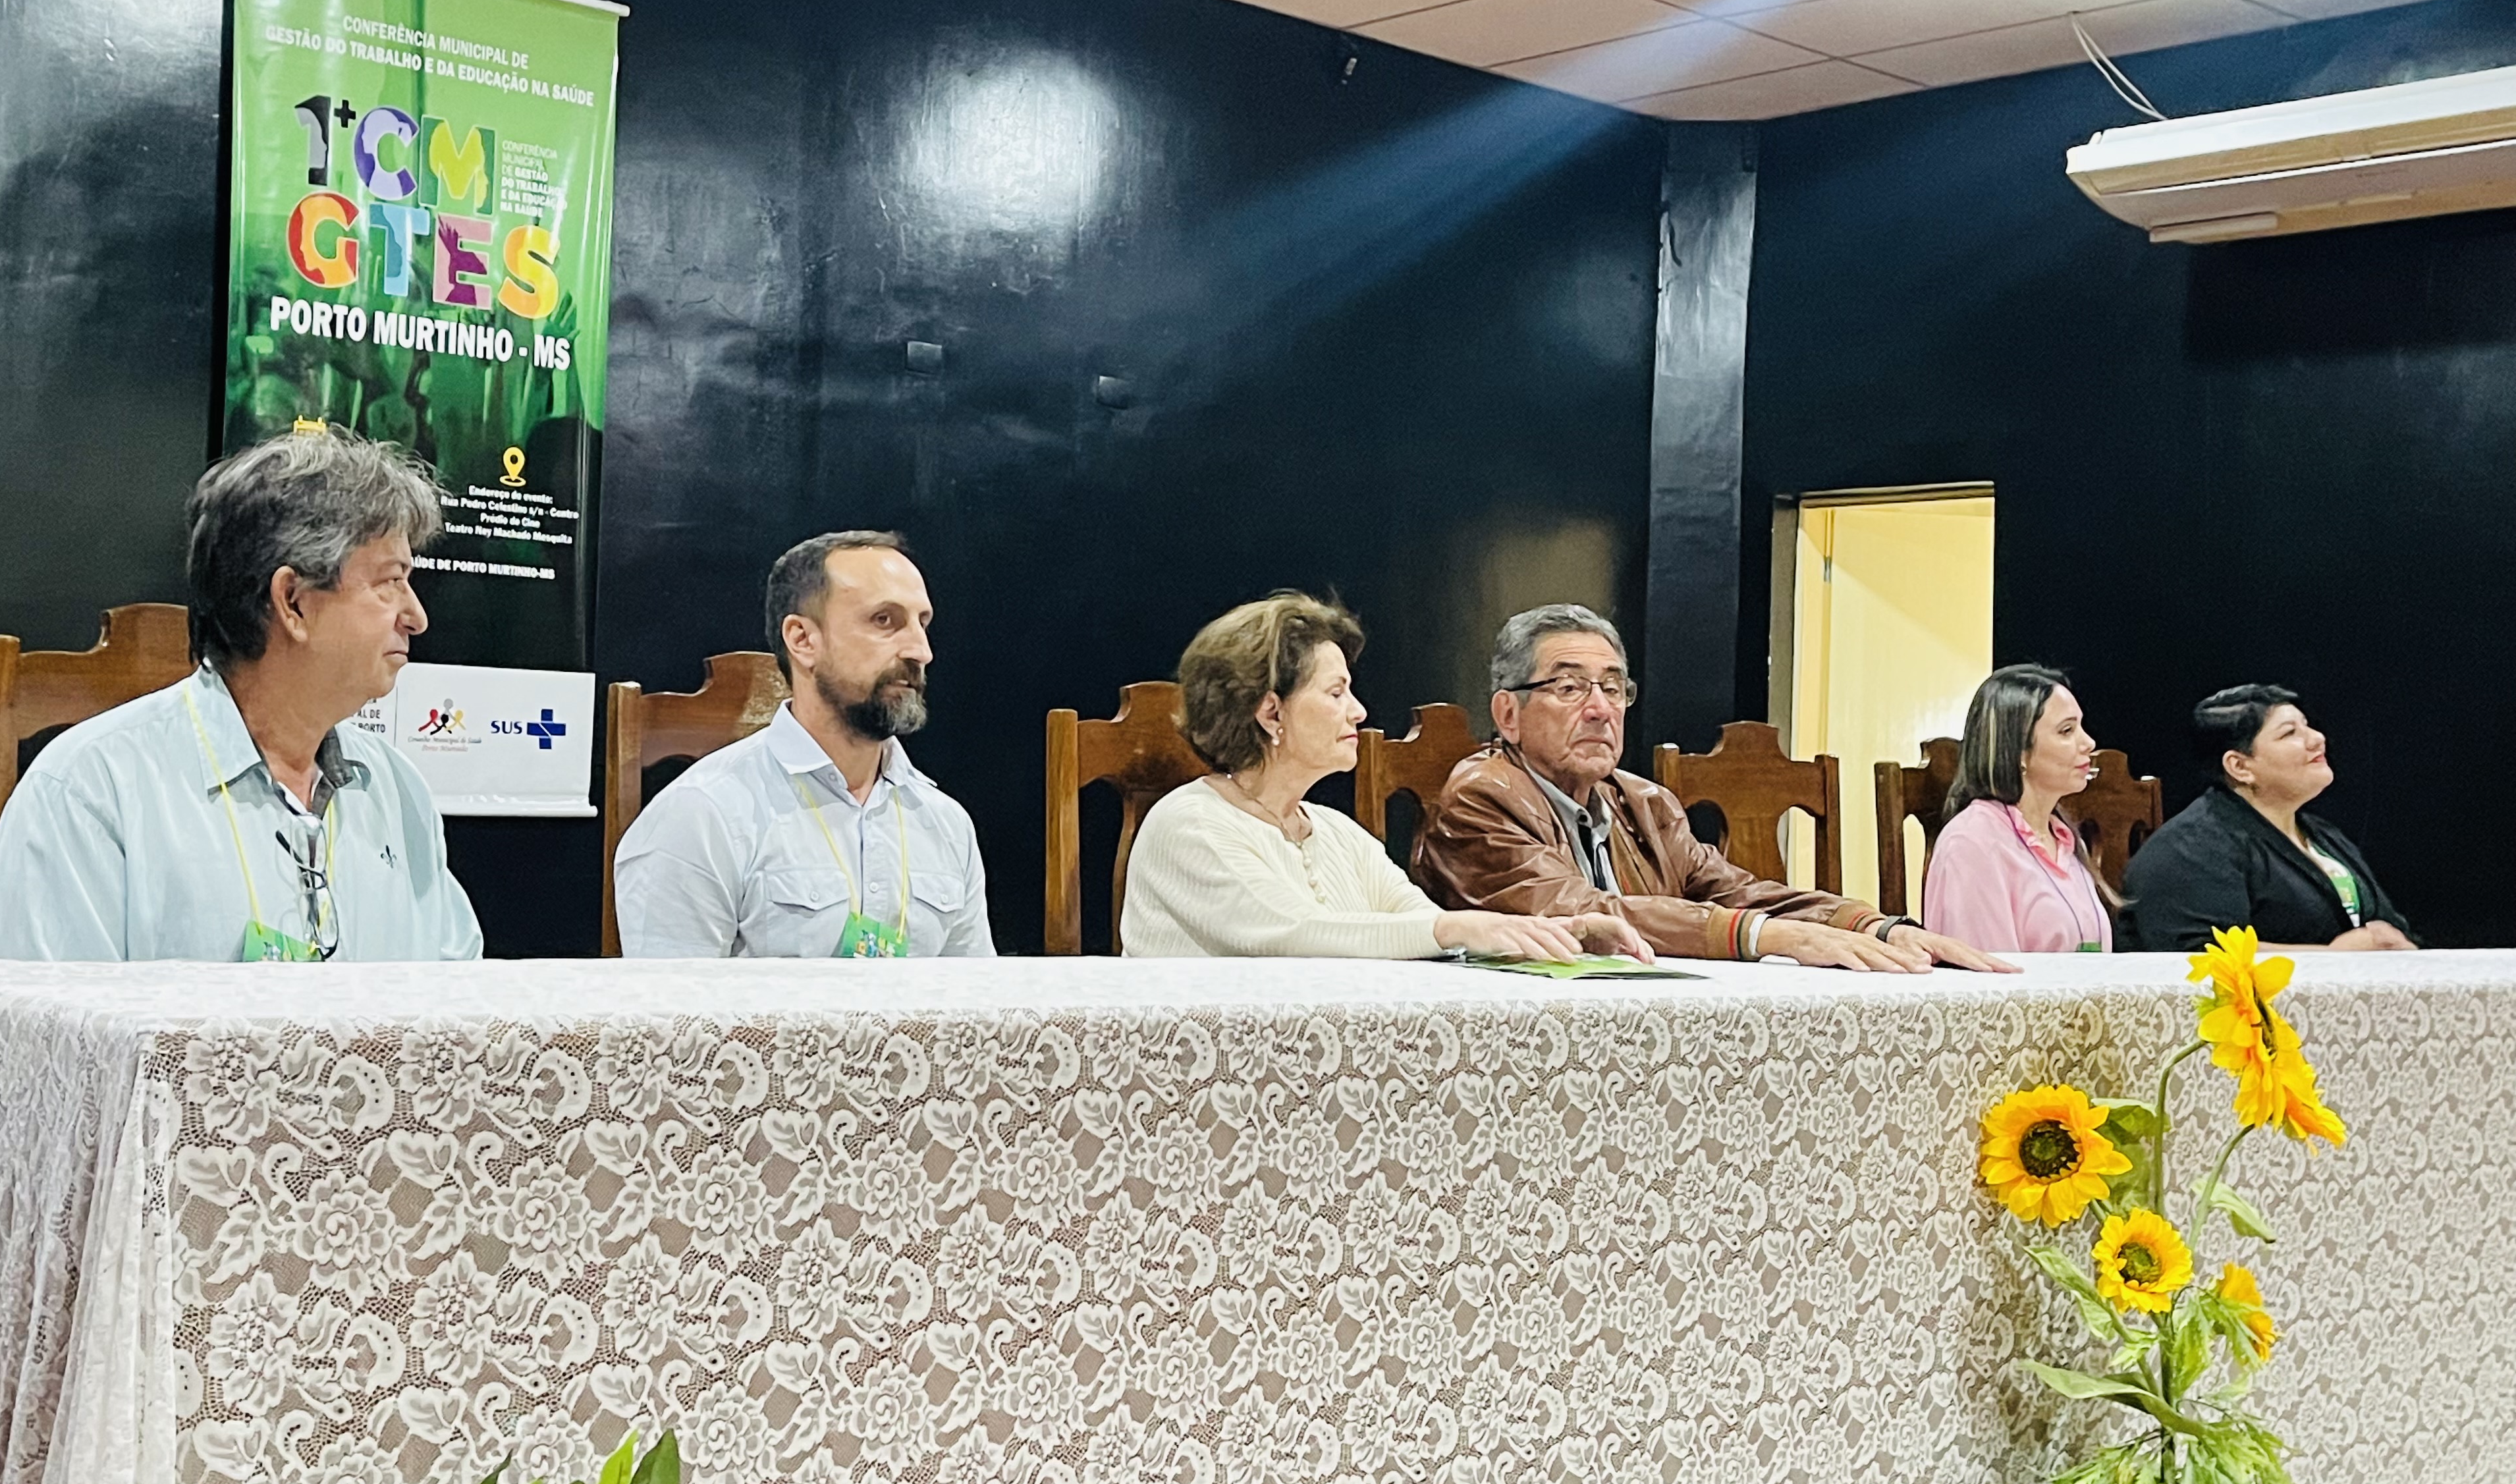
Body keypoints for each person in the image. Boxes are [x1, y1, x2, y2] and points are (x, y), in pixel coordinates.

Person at [0, 427, 481, 960]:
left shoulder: (399, 791)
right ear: (292, 602)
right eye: (390, 582)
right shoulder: (89, 795)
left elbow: (457, 1011)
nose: (417, 617)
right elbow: (55, 1038)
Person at [1414, 603, 2013, 971]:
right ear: (1508, 714)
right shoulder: (1481, 795)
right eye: (1570, 688)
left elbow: (1736, 891)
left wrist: (1873, 925)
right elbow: (1588, 916)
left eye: (1614, 688)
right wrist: (1767, 938)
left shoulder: (1643, 802)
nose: (1601, 710)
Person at [1120, 593, 1644, 960]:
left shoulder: (1337, 834)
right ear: (1271, 714)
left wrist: (1557, 936)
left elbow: (1425, 929)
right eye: (1335, 693)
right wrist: (1459, 926)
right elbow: (1293, 933)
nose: (1359, 711)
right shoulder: (1188, 824)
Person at [614, 531, 992, 957]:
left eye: (922, 624)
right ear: (802, 640)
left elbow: (976, 1011)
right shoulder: (700, 817)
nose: (921, 651)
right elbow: (673, 1020)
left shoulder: (947, 825)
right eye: (885, 620)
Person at [2118, 684, 2415, 953]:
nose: (2317, 739)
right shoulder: (2190, 849)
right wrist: (2332, 959)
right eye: (2290, 733)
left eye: (2307, 726)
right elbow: (2199, 956)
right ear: (2240, 766)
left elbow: (2389, 926)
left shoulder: (2324, 836)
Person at [1920, 664, 2115, 954]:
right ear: (2018, 753)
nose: (2089, 743)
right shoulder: (1972, 844)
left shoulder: (2063, 838)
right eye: (2067, 731)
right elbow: (1988, 986)